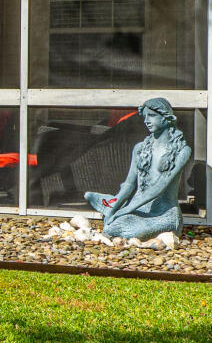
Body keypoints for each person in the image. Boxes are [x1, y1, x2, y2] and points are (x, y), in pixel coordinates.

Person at [79, 98, 192, 243]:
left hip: (164, 214)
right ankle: (111, 204)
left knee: (119, 228)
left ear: (166, 118)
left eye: (151, 115)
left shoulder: (182, 151)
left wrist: (125, 210)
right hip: (140, 209)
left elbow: (159, 187)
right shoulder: (140, 148)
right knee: (110, 222)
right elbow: (129, 184)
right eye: (144, 117)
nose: (146, 121)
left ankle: (113, 208)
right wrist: (116, 207)